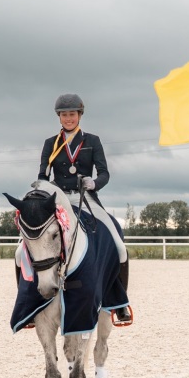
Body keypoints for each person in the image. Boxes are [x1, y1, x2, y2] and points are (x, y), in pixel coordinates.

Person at [36, 93, 131, 324]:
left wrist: (94, 183)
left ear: (79, 115)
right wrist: (42, 188)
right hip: (59, 200)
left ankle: (120, 303)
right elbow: (42, 175)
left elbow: (104, 173)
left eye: (72, 114)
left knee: (119, 245)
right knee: (22, 251)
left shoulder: (92, 141)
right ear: (59, 117)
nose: (68, 118)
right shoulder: (51, 143)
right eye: (64, 115)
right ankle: (30, 303)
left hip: (86, 199)